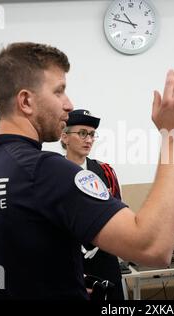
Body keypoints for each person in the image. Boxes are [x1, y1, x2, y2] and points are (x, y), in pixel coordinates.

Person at [0, 42, 174, 299]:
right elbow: (153, 247)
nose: (68, 104)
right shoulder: (46, 171)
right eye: (59, 92)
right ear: (25, 101)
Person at [60, 109, 124, 300]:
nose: (88, 139)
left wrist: (100, 242)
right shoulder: (53, 173)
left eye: (92, 134)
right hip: (67, 262)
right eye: (82, 133)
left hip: (104, 260)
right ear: (64, 137)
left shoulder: (105, 172)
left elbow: (117, 215)